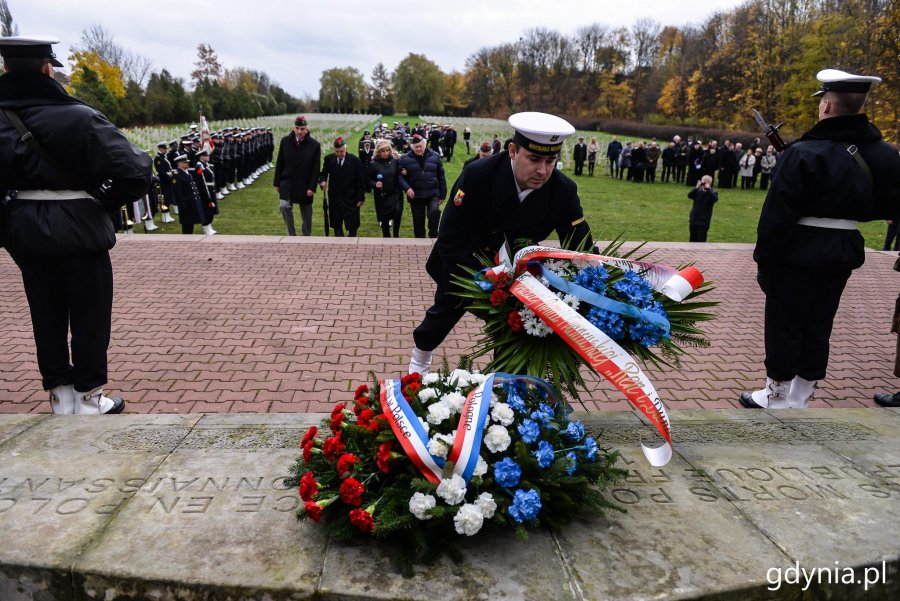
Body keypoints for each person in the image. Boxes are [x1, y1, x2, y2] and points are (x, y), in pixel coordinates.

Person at [0, 35, 150, 415]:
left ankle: (59, 396)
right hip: (80, 228)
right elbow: (137, 170)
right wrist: (102, 201)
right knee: (89, 316)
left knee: (45, 315)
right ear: (48, 68)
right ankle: (88, 397)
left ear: (6, 69)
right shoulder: (78, 116)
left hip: (26, 230)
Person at [740, 69, 900, 410]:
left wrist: (765, 262)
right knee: (819, 320)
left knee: (785, 320)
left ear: (826, 106)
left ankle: (776, 394)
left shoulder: (802, 152)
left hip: (797, 249)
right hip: (842, 249)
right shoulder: (885, 154)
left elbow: (776, 217)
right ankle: (802, 394)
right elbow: (887, 206)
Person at [408, 112, 595, 374]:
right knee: (446, 309)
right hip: (466, 258)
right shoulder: (478, 175)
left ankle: (503, 386)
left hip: (515, 269)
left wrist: (601, 282)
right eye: (534, 159)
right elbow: (450, 236)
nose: (543, 170)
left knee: (515, 323)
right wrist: (480, 278)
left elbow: (580, 242)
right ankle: (420, 360)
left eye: (550, 161)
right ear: (512, 150)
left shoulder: (563, 189)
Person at [273, 115, 321, 236]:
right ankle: (291, 234)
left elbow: (316, 169)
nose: (299, 131)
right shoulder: (285, 141)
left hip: (305, 183)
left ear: (307, 129)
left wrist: (312, 187)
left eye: (302, 129)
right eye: (297, 128)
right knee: (284, 206)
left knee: (306, 213)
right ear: (293, 128)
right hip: (287, 181)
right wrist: (276, 182)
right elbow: (280, 162)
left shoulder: (314, 145)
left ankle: (306, 235)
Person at [398, 134, 446, 238]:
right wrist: (407, 188)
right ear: (412, 146)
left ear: (425, 144)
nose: (419, 149)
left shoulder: (435, 156)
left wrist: (443, 194)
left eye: (421, 146)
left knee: (434, 212)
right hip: (415, 194)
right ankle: (419, 241)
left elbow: (441, 176)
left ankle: (433, 233)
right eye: (416, 147)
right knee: (418, 220)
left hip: (433, 192)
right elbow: (399, 176)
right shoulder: (404, 159)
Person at [319, 136, 365, 237]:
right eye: (337, 151)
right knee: (336, 225)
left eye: (341, 151)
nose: (339, 154)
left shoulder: (355, 160)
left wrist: (360, 198)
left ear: (346, 149)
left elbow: (360, 181)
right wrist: (322, 181)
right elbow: (323, 173)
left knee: (352, 225)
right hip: (335, 197)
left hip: (351, 198)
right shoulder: (329, 159)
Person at [367, 139, 403, 238]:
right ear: (378, 151)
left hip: (395, 194)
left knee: (397, 213)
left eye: (387, 150)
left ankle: (396, 235)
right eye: (383, 151)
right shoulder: (373, 164)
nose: (385, 153)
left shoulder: (395, 161)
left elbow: (401, 174)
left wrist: (404, 172)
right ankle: (386, 237)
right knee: (384, 218)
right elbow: (368, 179)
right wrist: (375, 184)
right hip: (382, 196)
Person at [687, 175, 718, 242]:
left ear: (710, 183)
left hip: (703, 221)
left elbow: (715, 199)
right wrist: (696, 187)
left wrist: (708, 189)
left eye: (706, 182)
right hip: (694, 219)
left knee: (701, 240)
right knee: (692, 240)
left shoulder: (712, 192)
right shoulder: (698, 191)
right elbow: (689, 195)